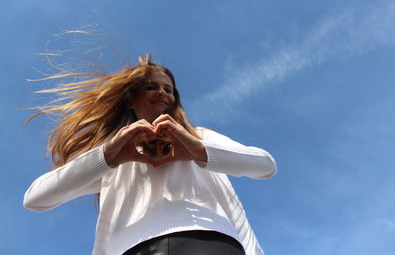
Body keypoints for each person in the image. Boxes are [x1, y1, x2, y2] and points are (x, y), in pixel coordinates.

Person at [23, 53, 277, 255]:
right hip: (130, 248)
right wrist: (108, 157)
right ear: (131, 99)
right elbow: (35, 198)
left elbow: (266, 166)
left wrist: (199, 152)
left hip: (207, 239)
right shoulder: (113, 151)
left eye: (169, 89)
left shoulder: (199, 136)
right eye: (152, 87)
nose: (162, 92)